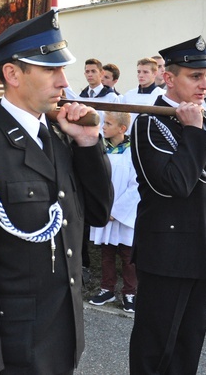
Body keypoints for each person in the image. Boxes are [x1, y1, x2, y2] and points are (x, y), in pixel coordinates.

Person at [0, 10, 113, 375]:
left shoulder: (60, 138)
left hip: (63, 337)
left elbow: (97, 213)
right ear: (13, 74)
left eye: (62, 69)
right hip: (15, 347)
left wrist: (87, 144)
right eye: (51, 69)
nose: (64, 82)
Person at [129, 36, 206, 375]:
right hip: (167, 253)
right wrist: (191, 133)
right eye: (195, 76)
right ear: (169, 78)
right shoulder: (149, 123)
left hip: (204, 248)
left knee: (189, 344)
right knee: (156, 344)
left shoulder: (204, 119)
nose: (205, 84)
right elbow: (174, 185)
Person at [88, 111, 139, 313]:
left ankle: (130, 292)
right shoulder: (101, 149)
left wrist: (116, 211)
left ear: (122, 129)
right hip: (104, 210)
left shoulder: (133, 151)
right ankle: (107, 289)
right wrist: (101, 206)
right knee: (107, 253)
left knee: (128, 255)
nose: (103, 127)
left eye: (108, 123)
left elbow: (136, 185)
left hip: (123, 212)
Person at [121, 57, 165, 130]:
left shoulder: (162, 95)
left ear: (154, 74)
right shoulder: (129, 95)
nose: (141, 75)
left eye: (145, 72)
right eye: (139, 72)